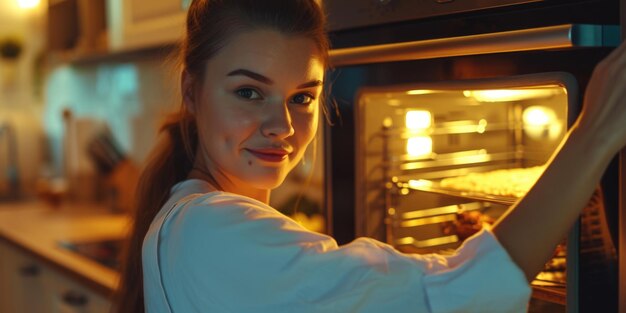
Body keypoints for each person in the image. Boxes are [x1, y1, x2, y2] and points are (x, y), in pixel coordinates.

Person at [114, 0, 626, 312]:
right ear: (190, 91)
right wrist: (593, 135)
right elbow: (445, 300)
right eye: (249, 92)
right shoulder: (211, 230)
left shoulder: (196, 219)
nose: (283, 126)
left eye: (302, 97)